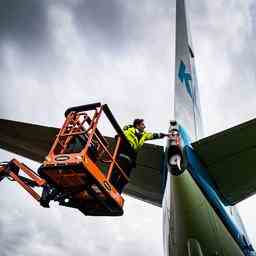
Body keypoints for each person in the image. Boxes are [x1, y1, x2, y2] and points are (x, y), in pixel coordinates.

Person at [110, 118, 169, 193]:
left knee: (125, 179)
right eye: (143, 125)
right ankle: (109, 187)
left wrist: (166, 135)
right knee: (117, 172)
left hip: (131, 158)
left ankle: (116, 193)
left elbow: (153, 135)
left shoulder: (144, 135)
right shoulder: (129, 130)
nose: (144, 127)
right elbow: (120, 134)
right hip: (124, 153)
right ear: (137, 125)